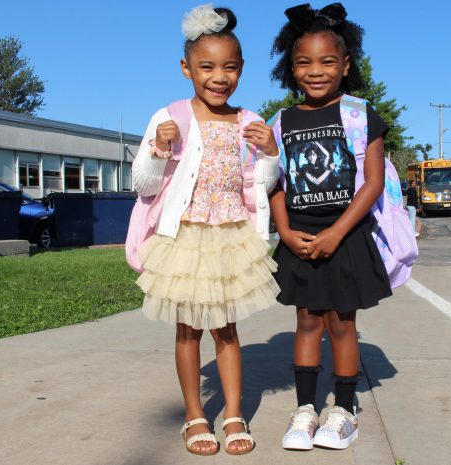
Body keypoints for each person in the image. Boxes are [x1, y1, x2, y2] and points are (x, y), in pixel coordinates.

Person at [131, 5, 280, 456]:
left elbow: (261, 183)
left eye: (229, 67)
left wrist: (271, 153)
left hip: (228, 237)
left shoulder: (249, 120)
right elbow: (143, 185)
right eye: (207, 67)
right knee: (186, 331)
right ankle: (195, 415)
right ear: (186, 68)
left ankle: (233, 412)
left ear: (241, 70)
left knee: (227, 330)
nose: (219, 77)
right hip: (184, 238)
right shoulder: (170, 115)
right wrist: (160, 148)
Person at [267, 2, 393, 451]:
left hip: (346, 236)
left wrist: (337, 232)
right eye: (304, 62)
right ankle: (304, 410)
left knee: (341, 324)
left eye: (326, 62)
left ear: (345, 65)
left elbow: (373, 182)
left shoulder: (361, 115)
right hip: (298, 237)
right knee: (306, 322)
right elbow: (273, 181)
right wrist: (284, 232)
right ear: (291, 67)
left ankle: (343, 410)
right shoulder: (281, 122)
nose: (315, 71)